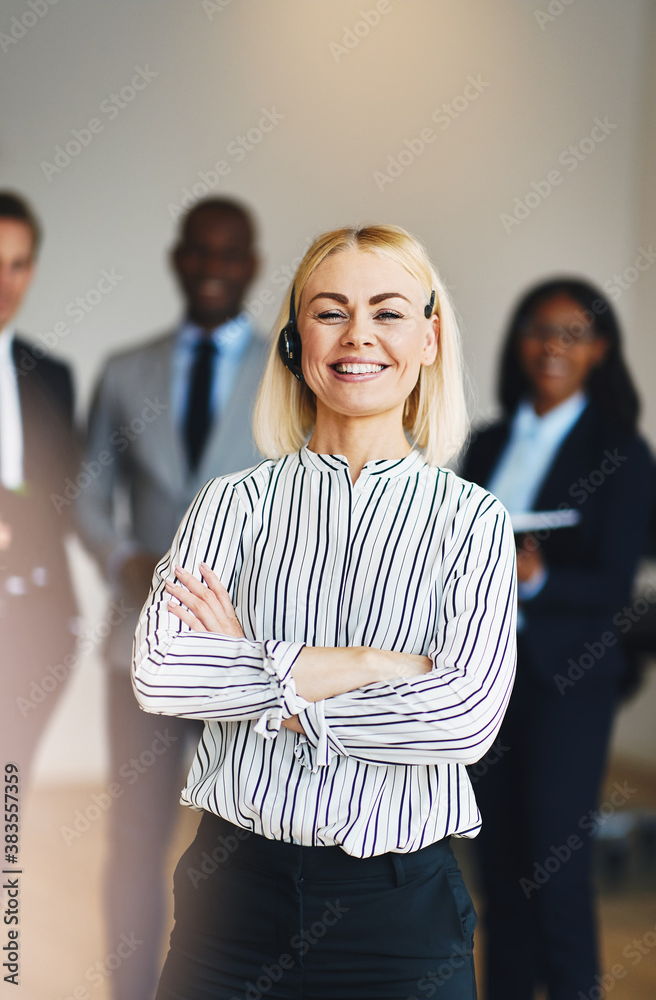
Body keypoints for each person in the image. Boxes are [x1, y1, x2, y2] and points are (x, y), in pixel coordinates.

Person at [132, 224, 518, 1000]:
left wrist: (256, 674)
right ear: (294, 339)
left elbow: (464, 720)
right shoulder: (229, 504)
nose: (358, 337)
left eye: (387, 312)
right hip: (230, 905)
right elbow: (161, 673)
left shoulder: (473, 521)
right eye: (330, 311)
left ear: (429, 338)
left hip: (400, 921)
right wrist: (375, 668)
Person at [76, 197, 266, 1000]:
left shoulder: (290, 371)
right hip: (140, 652)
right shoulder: (126, 370)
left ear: (252, 266)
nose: (214, 267)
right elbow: (85, 494)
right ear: (178, 259)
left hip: (251, 650)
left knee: (245, 842)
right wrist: (121, 559)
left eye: (231, 254)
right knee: (135, 837)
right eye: (200, 251)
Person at [460, 278, 654, 1000]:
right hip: (484, 681)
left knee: (555, 875)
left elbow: (612, 584)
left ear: (599, 351)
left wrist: (536, 578)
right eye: (540, 330)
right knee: (498, 872)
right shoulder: (486, 442)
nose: (553, 347)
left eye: (573, 334)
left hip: (565, 684)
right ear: (519, 341)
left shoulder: (622, 453)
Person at [0, 191, 78, 932]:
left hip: (40, 623)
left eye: (17, 265)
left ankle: (2, 939)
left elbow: (65, 500)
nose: (1, 282)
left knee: (7, 783)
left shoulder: (50, 376)